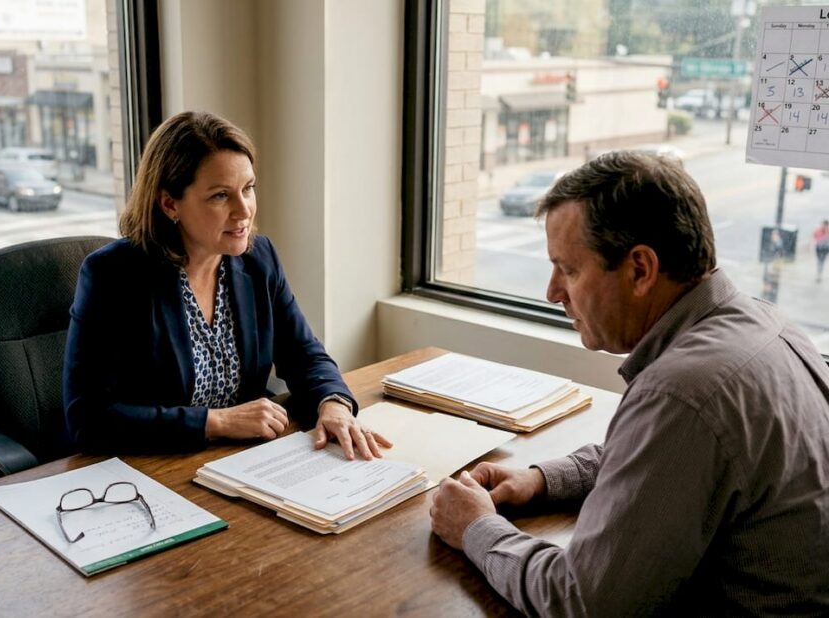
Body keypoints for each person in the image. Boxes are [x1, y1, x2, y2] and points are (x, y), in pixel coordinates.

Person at [430, 152, 829, 615]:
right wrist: (540, 479)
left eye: (570, 269)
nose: (553, 292)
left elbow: (582, 602)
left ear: (641, 270)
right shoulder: (765, 324)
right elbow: (659, 458)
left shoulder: (683, 392)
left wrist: (477, 527)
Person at [64, 111, 390, 459]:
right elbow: (88, 418)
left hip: (240, 461)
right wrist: (215, 422)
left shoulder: (258, 258)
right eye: (221, 196)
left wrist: (334, 403)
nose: (243, 210)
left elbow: (304, 354)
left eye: (248, 188)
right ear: (170, 203)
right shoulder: (113, 275)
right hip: (147, 469)